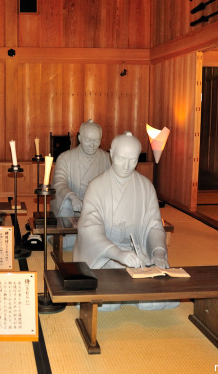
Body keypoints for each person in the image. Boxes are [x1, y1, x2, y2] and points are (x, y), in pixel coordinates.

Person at [73, 132, 178, 311]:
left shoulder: (145, 186)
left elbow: (154, 225)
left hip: (138, 253)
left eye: (133, 160)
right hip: (105, 255)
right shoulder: (97, 186)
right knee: (106, 304)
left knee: (161, 299)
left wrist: (159, 251)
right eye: (121, 158)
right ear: (111, 153)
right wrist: (117, 254)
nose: (126, 166)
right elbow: (89, 228)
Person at [49, 120, 111, 250]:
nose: (92, 145)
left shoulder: (106, 158)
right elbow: (58, 182)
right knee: (66, 201)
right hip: (72, 206)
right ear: (79, 138)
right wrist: (71, 196)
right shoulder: (65, 158)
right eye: (88, 140)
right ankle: (71, 239)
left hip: (96, 207)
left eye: (96, 140)